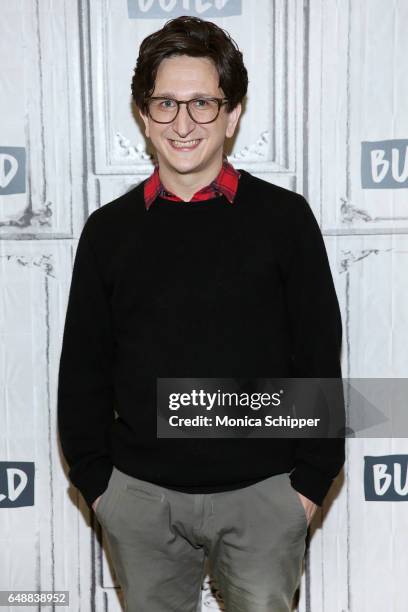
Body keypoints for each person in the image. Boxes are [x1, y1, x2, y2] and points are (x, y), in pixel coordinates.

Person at [57, 15, 345, 612]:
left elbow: (318, 352)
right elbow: (84, 366)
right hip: (139, 500)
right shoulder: (108, 231)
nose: (183, 123)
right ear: (143, 113)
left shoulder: (284, 221)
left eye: (202, 104)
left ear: (232, 114)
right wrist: (99, 485)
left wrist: (308, 486)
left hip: (265, 495)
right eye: (166, 103)